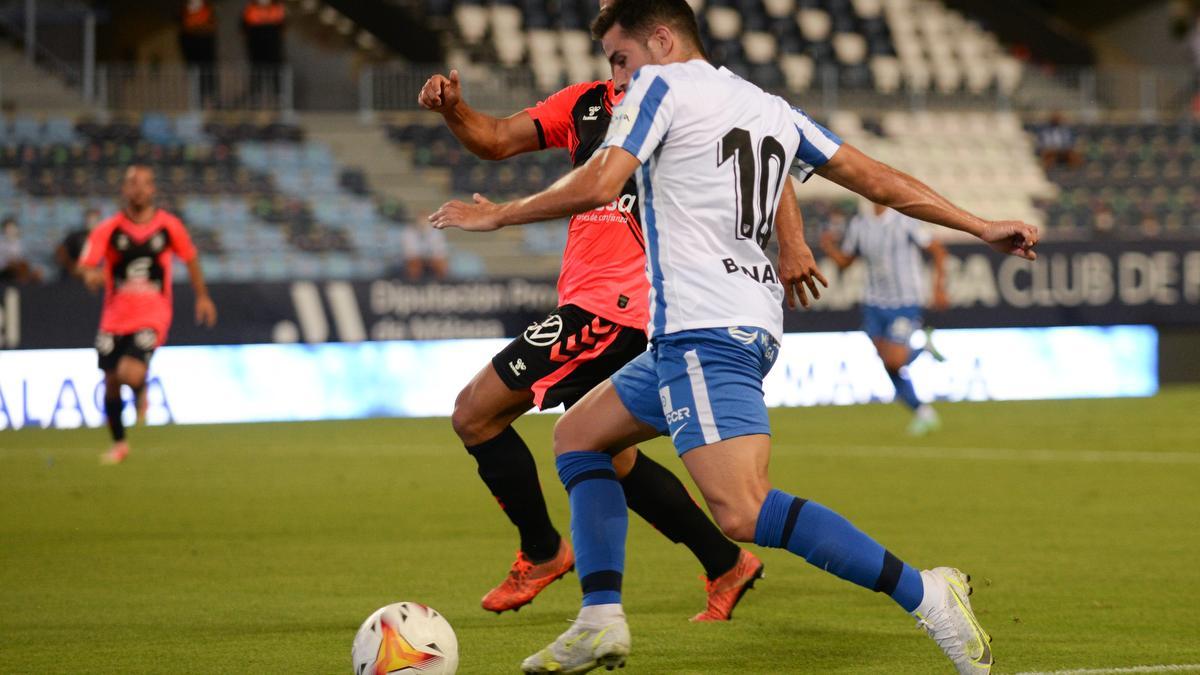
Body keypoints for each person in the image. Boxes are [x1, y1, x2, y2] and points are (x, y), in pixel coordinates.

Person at [430, 0, 1039, 672]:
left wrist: (499, 216)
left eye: (620, 58)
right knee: (577, 436)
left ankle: (928, 592)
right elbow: (874, 176)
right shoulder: (766, 105)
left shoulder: (658, 87)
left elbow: (603, 182)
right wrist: (977, 223)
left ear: (661, 41)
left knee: (744, 510)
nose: (617, 77)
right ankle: (599, 617)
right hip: (732, 321)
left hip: (703, 326)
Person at [417, 52, 826, 620]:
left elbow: (767, 156)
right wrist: (456, 108)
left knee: (474, 413)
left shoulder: (691, 98)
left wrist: (793, 241)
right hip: (598, 300)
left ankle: (543, 551)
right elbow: (495, 139)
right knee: (605, 449)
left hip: (622, 306)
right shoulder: (584, 103)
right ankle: (723, 561)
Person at [78, 166, 218, 464]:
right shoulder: (109, 228)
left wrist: (202, 296)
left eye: (144, 184)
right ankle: (119, 445)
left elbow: (190, 258)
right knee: (111, 380)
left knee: (130, 373)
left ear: (153, 189)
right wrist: (90, 276)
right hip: (114, 316)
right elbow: (86, 263)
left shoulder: (168, 226)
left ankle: (141, 390)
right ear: (124, 190)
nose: (139, 189)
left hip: (152, 313)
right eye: (132, 183)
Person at [820, 200, 949, 435]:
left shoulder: (905, 220)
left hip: (904, 302)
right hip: (873, 302)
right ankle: (922, 411)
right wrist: (829, 248)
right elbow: (846, 262)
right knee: (887, 362)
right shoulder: (859, 225)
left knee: (895, 361)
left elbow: (938, 250)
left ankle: (923, 349)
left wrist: (939, 286)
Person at [180, 0, 218, 107]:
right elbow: (184, 30)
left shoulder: (207, 11)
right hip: (193, 55)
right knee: (196, 77)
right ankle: (199, 99)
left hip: (206, 54)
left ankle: (211, 96)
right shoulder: (185, 12)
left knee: (208, 74)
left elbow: (212, 26)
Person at [55, 207, 103, 282]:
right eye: (91, 218)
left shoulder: (105, 236)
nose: (93, 221)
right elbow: (60, 252)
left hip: (97, 274)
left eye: (96, 218)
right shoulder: (76, 236)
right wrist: (72, 267)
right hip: (75, 275)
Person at [401, 218, 449, 282]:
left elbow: (440, 249)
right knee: (414, 264)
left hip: (432, 258)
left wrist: (431, 257)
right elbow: (410, 250)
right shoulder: (409, 231)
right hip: (416, 257)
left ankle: (442, 284)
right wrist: (421, 256)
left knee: (441, 264)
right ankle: (414, 285)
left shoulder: (436, 232)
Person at [0, 216, 42, 284]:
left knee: (36, 272)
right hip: (5, 271)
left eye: (13, 228)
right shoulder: (1, 244)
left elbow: (28, 259)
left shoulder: (22, 244)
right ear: (4, 230)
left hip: (20, 269)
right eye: (8, 228)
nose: (11, 231)